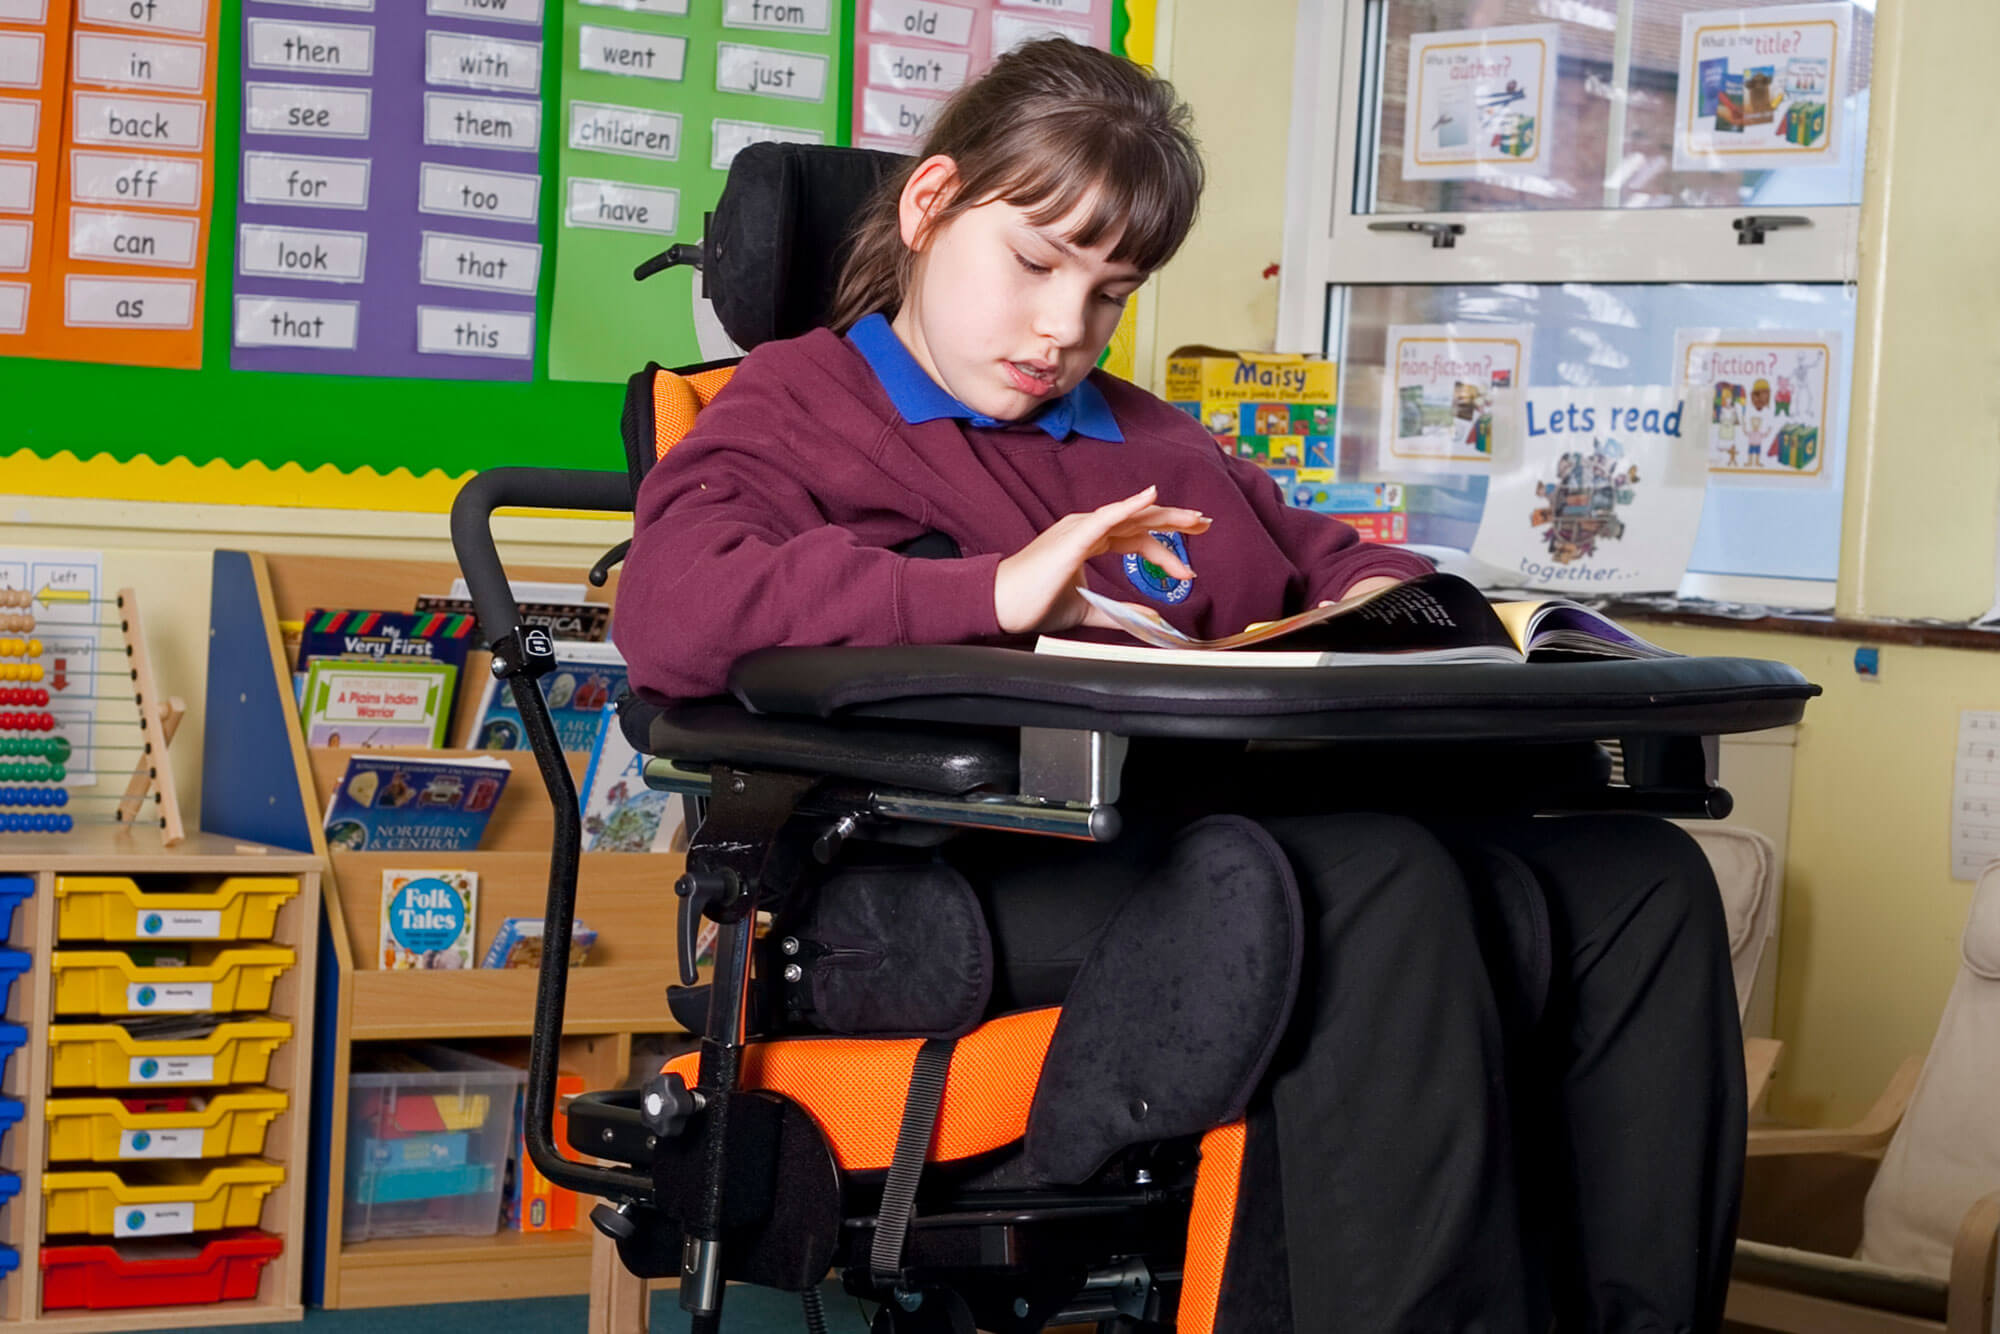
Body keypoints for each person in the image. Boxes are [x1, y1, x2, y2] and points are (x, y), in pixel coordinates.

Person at [613, 38, 1744, 1334]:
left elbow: (1327, 562)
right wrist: (997, 593)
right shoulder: (802, 399)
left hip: (1213, 839)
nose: (1063, 329)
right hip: (950, 882)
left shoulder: (1151, 436)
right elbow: (672, 605)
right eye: (1035, 264)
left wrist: (1442, 613)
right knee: (1372, 877)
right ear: (930, 205)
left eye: (1110, 292)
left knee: (1643, 880)